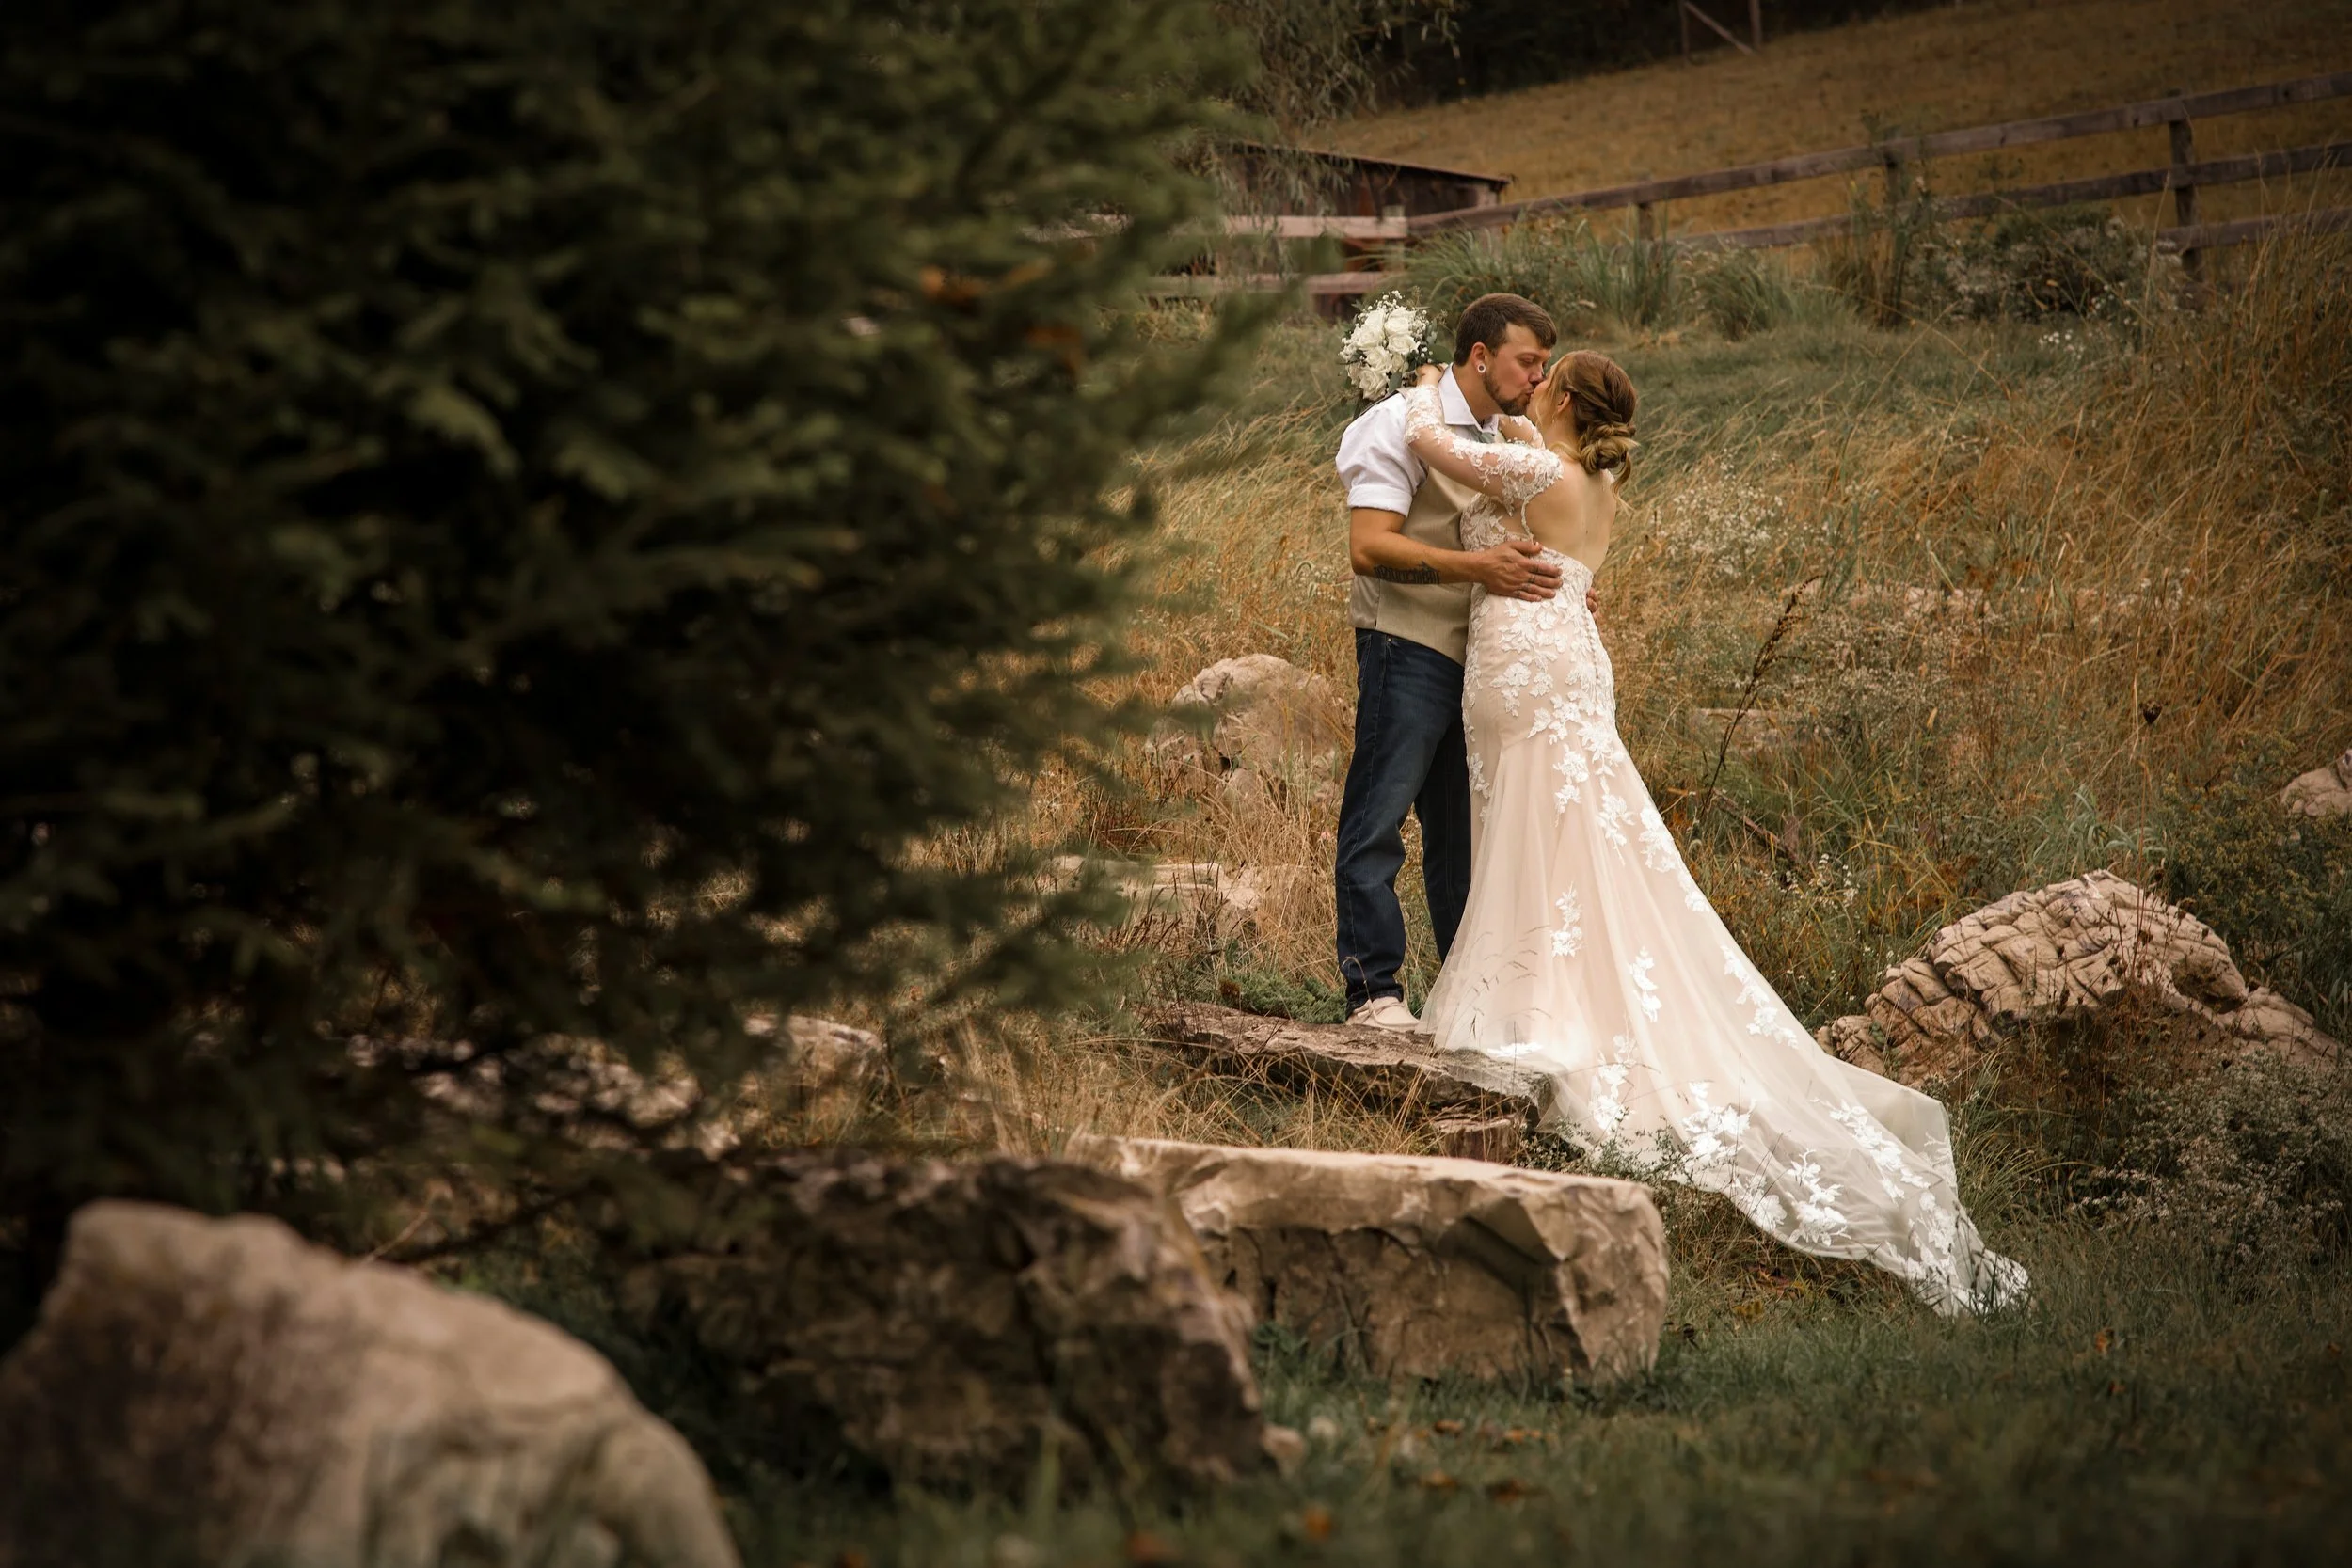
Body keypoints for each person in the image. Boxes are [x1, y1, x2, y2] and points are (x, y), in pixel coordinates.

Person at [1398, 354, 2026, 1313]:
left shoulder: (1539, 472)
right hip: (1562, 658)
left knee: (1540, 831)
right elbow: (1522, 460)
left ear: (1560, 398)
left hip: (1524, 668)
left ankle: (1535, 1006)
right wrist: (1517, 431)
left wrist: (1413, 383)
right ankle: (1543, 987)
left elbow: (1427, 442)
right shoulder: (1587, 479)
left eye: (1543, 380)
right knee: (1568, 839)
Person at [1332, 293, 1565, 1032]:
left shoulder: (1508, 435)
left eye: (1543, 364)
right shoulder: (1398, 423)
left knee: (1462, 841)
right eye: (1527, 361)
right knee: (1378, 819)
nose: (1538, 376)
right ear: (1480, 356)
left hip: (1482, 665)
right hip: (1405, 646)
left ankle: (1471, 1004)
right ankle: (1373, 994)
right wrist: (1477, 570)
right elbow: (1369, 547)